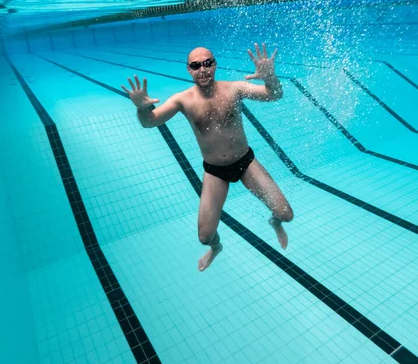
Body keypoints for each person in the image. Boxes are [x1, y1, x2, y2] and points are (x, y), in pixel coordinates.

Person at [121, 43, 294, 271]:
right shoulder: (183, 100)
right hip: (215, 171)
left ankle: (274, 222)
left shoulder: (235, 89)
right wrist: (142, 108)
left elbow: (274, 94)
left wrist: (270, 77)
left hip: (245, 163)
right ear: (188, 70)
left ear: (215, 65)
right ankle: (216, 248)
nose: (202, 69)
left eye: (207, 63)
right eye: (195, 65)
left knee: (286, 214)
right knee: (205, 235)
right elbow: (149, 122)